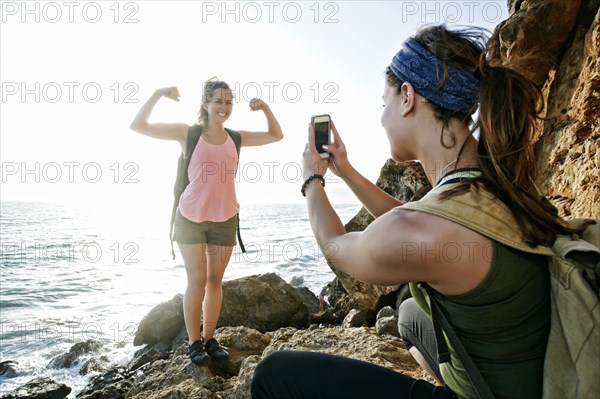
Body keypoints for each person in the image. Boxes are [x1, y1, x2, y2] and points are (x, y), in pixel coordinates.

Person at [251, 25, 574, 399]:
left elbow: (337, 248)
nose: (382, 116)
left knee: (273, 374)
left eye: (383, 102)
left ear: (407, 97)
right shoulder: (496, 182)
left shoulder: (427, 230)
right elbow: (415, 221)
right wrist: (346, 171)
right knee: (409, 316)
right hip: (539, 377)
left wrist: (311, 180)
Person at [131, 79, 283, 366]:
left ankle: (210, 339)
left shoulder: (236, 138)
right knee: (197, 281)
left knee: (215, 281)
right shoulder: (188, 133)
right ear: (205, 104)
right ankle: (193, 344)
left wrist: (264, 107)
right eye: (218, 102)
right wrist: (157, 93)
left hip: (225, 219)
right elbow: (139, 125)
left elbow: (276, 134)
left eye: (228, 102)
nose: (224, 107)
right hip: (190, 219)